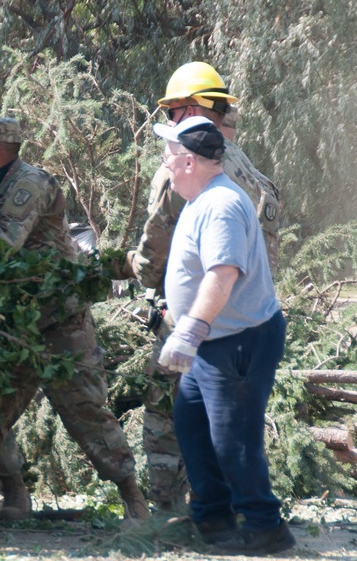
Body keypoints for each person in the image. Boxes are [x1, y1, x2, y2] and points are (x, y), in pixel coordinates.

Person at [0, 117, 150, 524]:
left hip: (60, 319)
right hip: (14, 321)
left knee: (85, 410)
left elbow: (6, 240)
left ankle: (135, 501)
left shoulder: (30, 183)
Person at [126, 61, 281, 510]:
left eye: (173, 113)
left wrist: (141, 284)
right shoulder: (248, 170)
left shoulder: (186, 168)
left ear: (192, 110)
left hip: (200, 319)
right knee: (231, 422)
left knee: (169, 415)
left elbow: (151, 259)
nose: (170, 125)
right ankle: (225, 509)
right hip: (248, 320)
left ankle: (174, 512)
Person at [153, 116, 295, 555]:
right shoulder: (202, 198)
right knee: (192, 426)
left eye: (168, 156)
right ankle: (214, 520)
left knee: (233, 440)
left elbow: (223, 274)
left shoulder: (222, 206)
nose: (164, 164)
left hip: (237, 341)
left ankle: (264, 528)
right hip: (216, 343)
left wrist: (190, 330)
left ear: (189, 161)